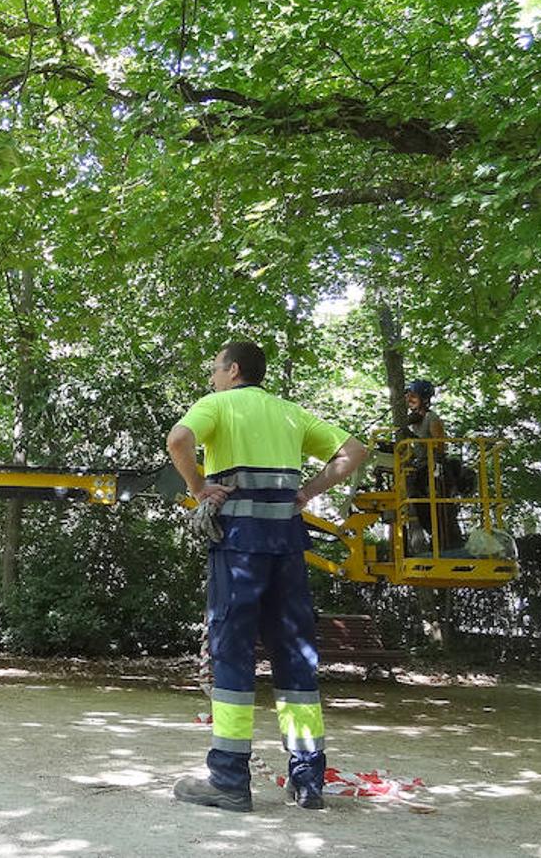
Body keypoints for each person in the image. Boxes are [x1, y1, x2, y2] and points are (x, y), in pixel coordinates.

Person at [166, 342, 368, 812]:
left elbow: (178, 441)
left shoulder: (216, 405)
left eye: (214, 369)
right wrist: (308, 491)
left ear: (232, 370)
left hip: (238, 545)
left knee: (233, 655)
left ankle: (230, 780)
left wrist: (198, 487)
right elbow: (353, 450)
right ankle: (308, 781)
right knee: (296, 658)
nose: (212, 378)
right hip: (288, 548)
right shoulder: (290, 413)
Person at [402, 380, 461, 552]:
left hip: (436, 471)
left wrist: (414, 438)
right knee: (421, 508)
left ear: (423, 399)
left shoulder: (431, 418)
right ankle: (434, 544)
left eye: (412, 396)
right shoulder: (416, 421)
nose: (409, 399)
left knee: (441, 513)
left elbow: (440, 446)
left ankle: (450, 546)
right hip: (421, 469)